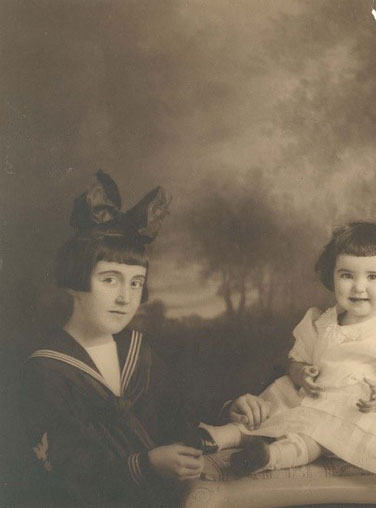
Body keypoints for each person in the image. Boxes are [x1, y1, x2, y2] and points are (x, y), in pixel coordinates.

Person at [21, 171, 269, 508]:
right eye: (110, 280)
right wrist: (147, 465)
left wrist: (230, 409)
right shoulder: (47, 370)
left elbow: (175, 408)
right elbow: (63, 472)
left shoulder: (136, 349)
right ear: (74, 283)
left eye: (136, 283)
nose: (126, 297)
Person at [213, 222, 376, 479]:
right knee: (272, 405)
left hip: (355, 407)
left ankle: (269, 457)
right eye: (347, 275)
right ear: (332, 277)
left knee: (315, 438)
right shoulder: (322, 320)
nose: (359, 287)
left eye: (372, 277)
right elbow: (297, 358)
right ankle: (218, 436)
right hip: (316, 396)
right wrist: (301, 373)